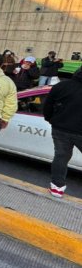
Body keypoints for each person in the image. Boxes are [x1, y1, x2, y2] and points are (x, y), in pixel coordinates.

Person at [42, 66, 82, 199]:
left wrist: (51, 119)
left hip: (60, 128)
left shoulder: (61, 86)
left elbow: (47, 106)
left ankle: (57, 188)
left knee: (61, 157)